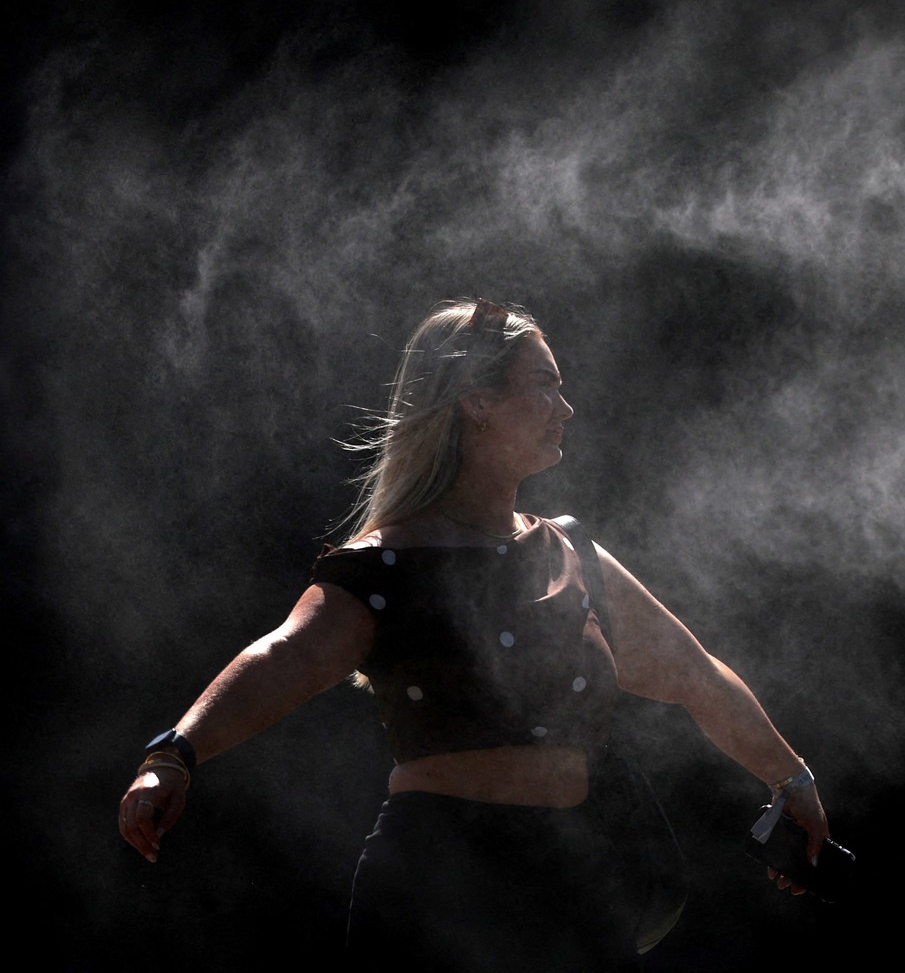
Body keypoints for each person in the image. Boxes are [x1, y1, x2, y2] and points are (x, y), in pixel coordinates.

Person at [117, 296, 830, 971]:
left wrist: (789, 775)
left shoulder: (571, 553)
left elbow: (695, 674)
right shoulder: (386, 563)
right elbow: (286, 653)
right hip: (439, 882)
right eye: (544, 386)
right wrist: (174, 753)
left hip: (580, 882)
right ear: (477, 401)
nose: (566, 407)